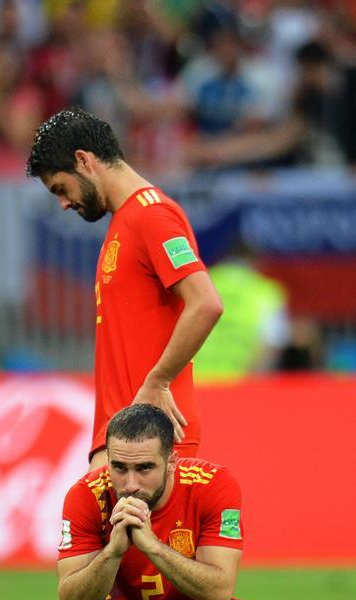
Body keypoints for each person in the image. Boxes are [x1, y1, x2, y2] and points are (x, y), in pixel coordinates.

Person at [27, 108, 223, 468]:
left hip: (151, 443)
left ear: (84, 161)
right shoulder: (124, 222)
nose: (64, 203)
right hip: (121, 439)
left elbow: (206, 303)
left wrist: (158, 382)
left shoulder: (153, 216)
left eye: (61, 188)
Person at [40, 403, 258, 600]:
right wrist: (113, 552)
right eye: (119, 467)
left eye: (144, 468)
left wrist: (152, 546)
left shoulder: (213, 485)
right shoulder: (86, 496)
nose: (130, 484)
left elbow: (220, 591)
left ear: (171, 462)